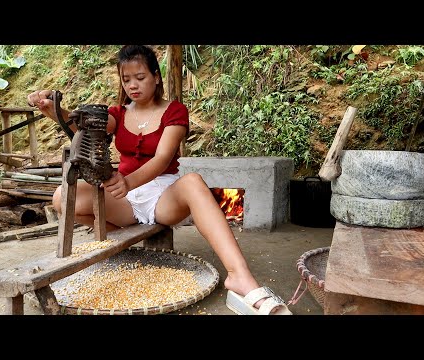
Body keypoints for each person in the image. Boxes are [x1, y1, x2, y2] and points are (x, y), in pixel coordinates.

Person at [27, 44, 291, 315]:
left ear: (156, 76)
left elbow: (162, 159)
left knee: (193, 181)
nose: (133, 85)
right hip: (127, 199)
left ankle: (240, 276)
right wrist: (53, 109)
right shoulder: (118, 113)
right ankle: (118, 237)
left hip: (163, 194)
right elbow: (85, 128)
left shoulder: (175, 111)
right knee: (61, 197)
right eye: (126, 79)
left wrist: (129, 182)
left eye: (140, 78)